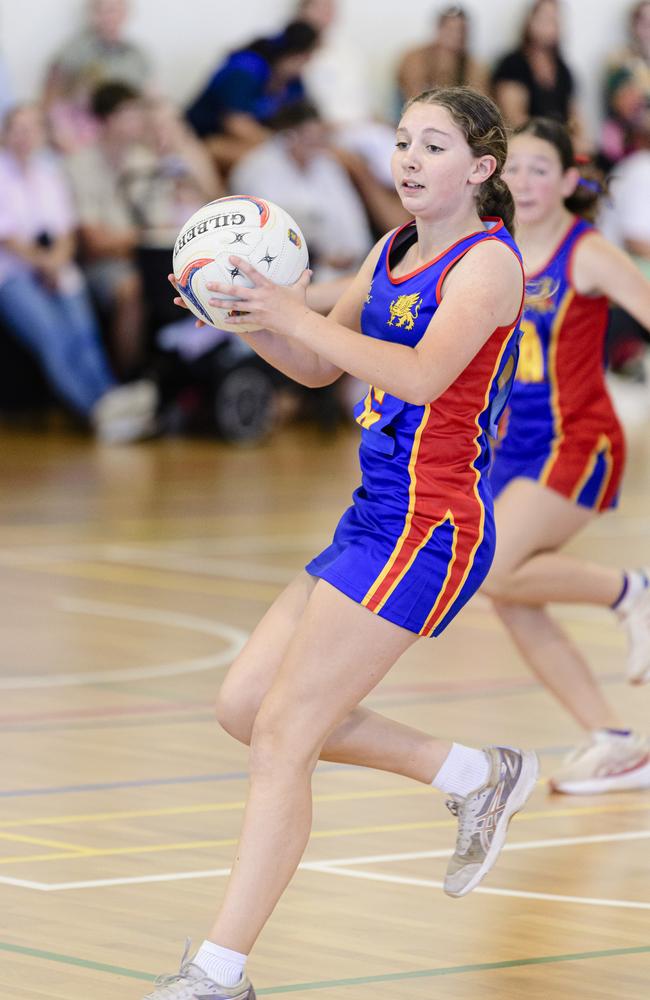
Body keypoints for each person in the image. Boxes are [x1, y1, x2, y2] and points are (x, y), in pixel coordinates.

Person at [152, 85, 539, 998]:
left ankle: (219, 972)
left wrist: (288, 311)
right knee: (246, 708)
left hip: (432, 525)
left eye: (433, 146)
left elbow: (417, 375)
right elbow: (322, 361)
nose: (407, 159)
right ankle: (476, 774)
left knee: (284, 734)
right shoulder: (393, 248)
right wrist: (238, 313)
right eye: (402, 140)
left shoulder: (487, 268)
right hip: (374, 514)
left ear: (480, 170)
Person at [482, 116, 650, 795]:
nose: (523, 180)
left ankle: (633, 591)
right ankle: (615, 742)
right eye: (512, 167)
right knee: (508, 593)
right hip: (505, 447)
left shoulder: (586, 251)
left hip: (576, 438)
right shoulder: (484, 248)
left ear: (569, 180)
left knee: (495, 569)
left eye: (539, 169)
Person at [0, 103, 156, 442]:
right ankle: (95, 410)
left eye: (32, 129)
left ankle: (112, 399)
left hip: (57, 266)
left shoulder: (48, 173)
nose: (25, 137)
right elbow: (7, 236)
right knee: (53, 337)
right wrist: (45, 264)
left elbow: (66, 229)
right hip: (12, 272)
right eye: (18, 129)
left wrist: (57, 262)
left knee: (84, 335)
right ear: (6, 133)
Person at [228, 100, 373, 282]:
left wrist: (355, 253)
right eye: (309, 138)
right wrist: (318, 258)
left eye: (320, 138)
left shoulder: (326, 164)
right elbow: (267, 232)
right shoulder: (257, 169)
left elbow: (350, 216)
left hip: (341, 267)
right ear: (289, 136)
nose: (317, 145)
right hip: (278, 271)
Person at [66, 80, 147, 377]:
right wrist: (138, 239)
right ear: (108, 119)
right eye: (130, 113)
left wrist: (131, 239)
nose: (139, 120)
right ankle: (128, 378)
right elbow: (94, 242)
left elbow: (161, 223)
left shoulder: (144, 160)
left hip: (141, 256)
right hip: (101, 265)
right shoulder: (78, 164)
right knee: (131, 290)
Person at [185, 21, 319, 174]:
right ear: (297, 54)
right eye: (306, 58)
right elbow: (235, 123)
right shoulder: (247, 69)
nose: (307, 65)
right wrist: (280, 147)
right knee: (270, 163)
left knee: (318, 158)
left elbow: (302, 119)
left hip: (255, 140)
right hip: (206, 138)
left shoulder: (293, 81)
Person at [44, 0, 153, 153]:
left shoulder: (138, 55)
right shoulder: (74, 51)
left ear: (125, 14)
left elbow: (151, 101)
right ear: (93, 14)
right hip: (84, 134)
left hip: (128, 135)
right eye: (103, 11)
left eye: (114, 10)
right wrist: (61, 133)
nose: (109, 17)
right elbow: (51, 98)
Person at [491, 0, 588, 153]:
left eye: (554, 20)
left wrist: (580, 141)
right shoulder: (513, 64)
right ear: (530, 21)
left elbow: (575, 119)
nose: (549, 25)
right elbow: (514, 119)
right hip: (524, 143)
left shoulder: (564, 70)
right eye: (544, 18)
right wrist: (556, 142)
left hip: (559, 145)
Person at [396, 4, 488, 104]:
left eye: (462, 30)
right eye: (450, 30)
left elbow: (479, 103)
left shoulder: (474, 66)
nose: (457, 36)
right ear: (439, 29)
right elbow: (415, 97)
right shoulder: (415, 58)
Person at [600, 0, 650, 167]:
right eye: (644, 21)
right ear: (634, 26)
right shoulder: (620, 60)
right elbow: (627, 109)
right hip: (630, 144)